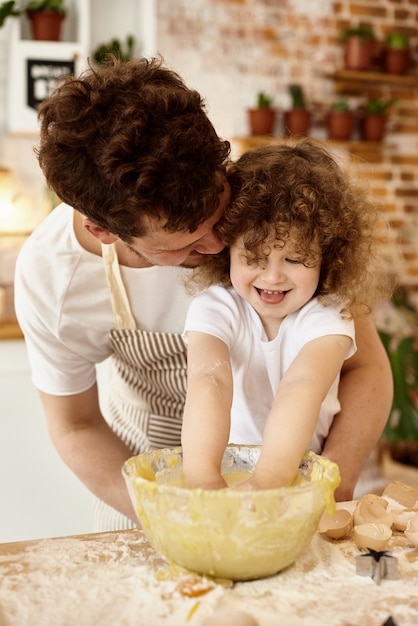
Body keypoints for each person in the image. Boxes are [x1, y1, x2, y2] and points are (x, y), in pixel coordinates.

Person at [14, 56, 392, 532]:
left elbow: (367, 368)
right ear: (103, 230)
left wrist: (332, 479)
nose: (217, 245)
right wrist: (171, 516)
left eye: (219, 213)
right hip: (149, 484)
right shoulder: (53, 278)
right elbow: (75, 425)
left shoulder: (265, 207)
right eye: (187, 243)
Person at [181, 140, 391, 491]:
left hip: (302, 480)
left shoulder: (328, 313)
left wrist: (269, 480)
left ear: (328, 256)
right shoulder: (215, 307)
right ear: (226, 250)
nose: (273, 276)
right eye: (254, 258)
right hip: (230, 472)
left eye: (294, 260)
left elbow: (302, 384)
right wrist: (202, 477)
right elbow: (208, 381)